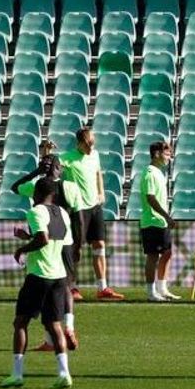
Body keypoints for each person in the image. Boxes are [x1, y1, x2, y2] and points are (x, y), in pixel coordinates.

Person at [0, 174, 75, 389]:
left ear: (38, 193)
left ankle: (16, 374)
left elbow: (42, 239)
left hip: (39, 275)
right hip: (58, 276)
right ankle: (64, 374)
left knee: (20, 322)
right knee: (54, 326)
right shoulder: (63, 213)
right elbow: (57, 240)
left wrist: (21, 249)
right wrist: (27, 237)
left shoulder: (35, 211)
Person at [60, 127, 122, 301]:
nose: (90, 148)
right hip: (78, 209)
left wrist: (101, 192)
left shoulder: (94, 155)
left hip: (95, 206)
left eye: (92, 144)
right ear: (79, 143)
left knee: (99, 244)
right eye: (88, 144)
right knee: (75, 248)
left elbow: (97, 173)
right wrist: (47, 151)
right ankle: (71, 287)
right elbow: (49, 166)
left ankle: (102, 287)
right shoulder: (67, 158)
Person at [138, 140, 180, 302]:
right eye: (167, 154)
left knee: (167, 253)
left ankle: (162, 288)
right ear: (157, 154)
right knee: (153, 256)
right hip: (152, 221)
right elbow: (150, 198)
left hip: (161, 222)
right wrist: (167, 216)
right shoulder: (149, 173)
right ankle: (151, 292)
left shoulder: (159, 173)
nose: (169, 157)